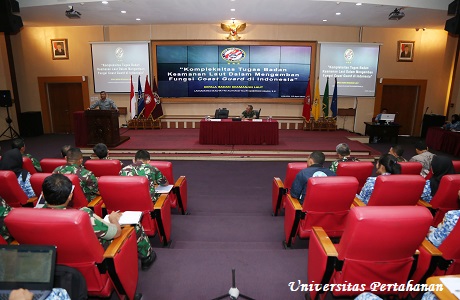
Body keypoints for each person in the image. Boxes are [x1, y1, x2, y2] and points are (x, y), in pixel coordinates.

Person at [41, 174, 155, 270]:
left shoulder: (29, 216)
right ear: (70, 196)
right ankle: (147, 257)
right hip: (96, 262)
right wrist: (113, 218)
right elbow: (116, 233)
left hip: (53, 263)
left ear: (42, 194)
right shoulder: (82, 216)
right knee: (134, 226)